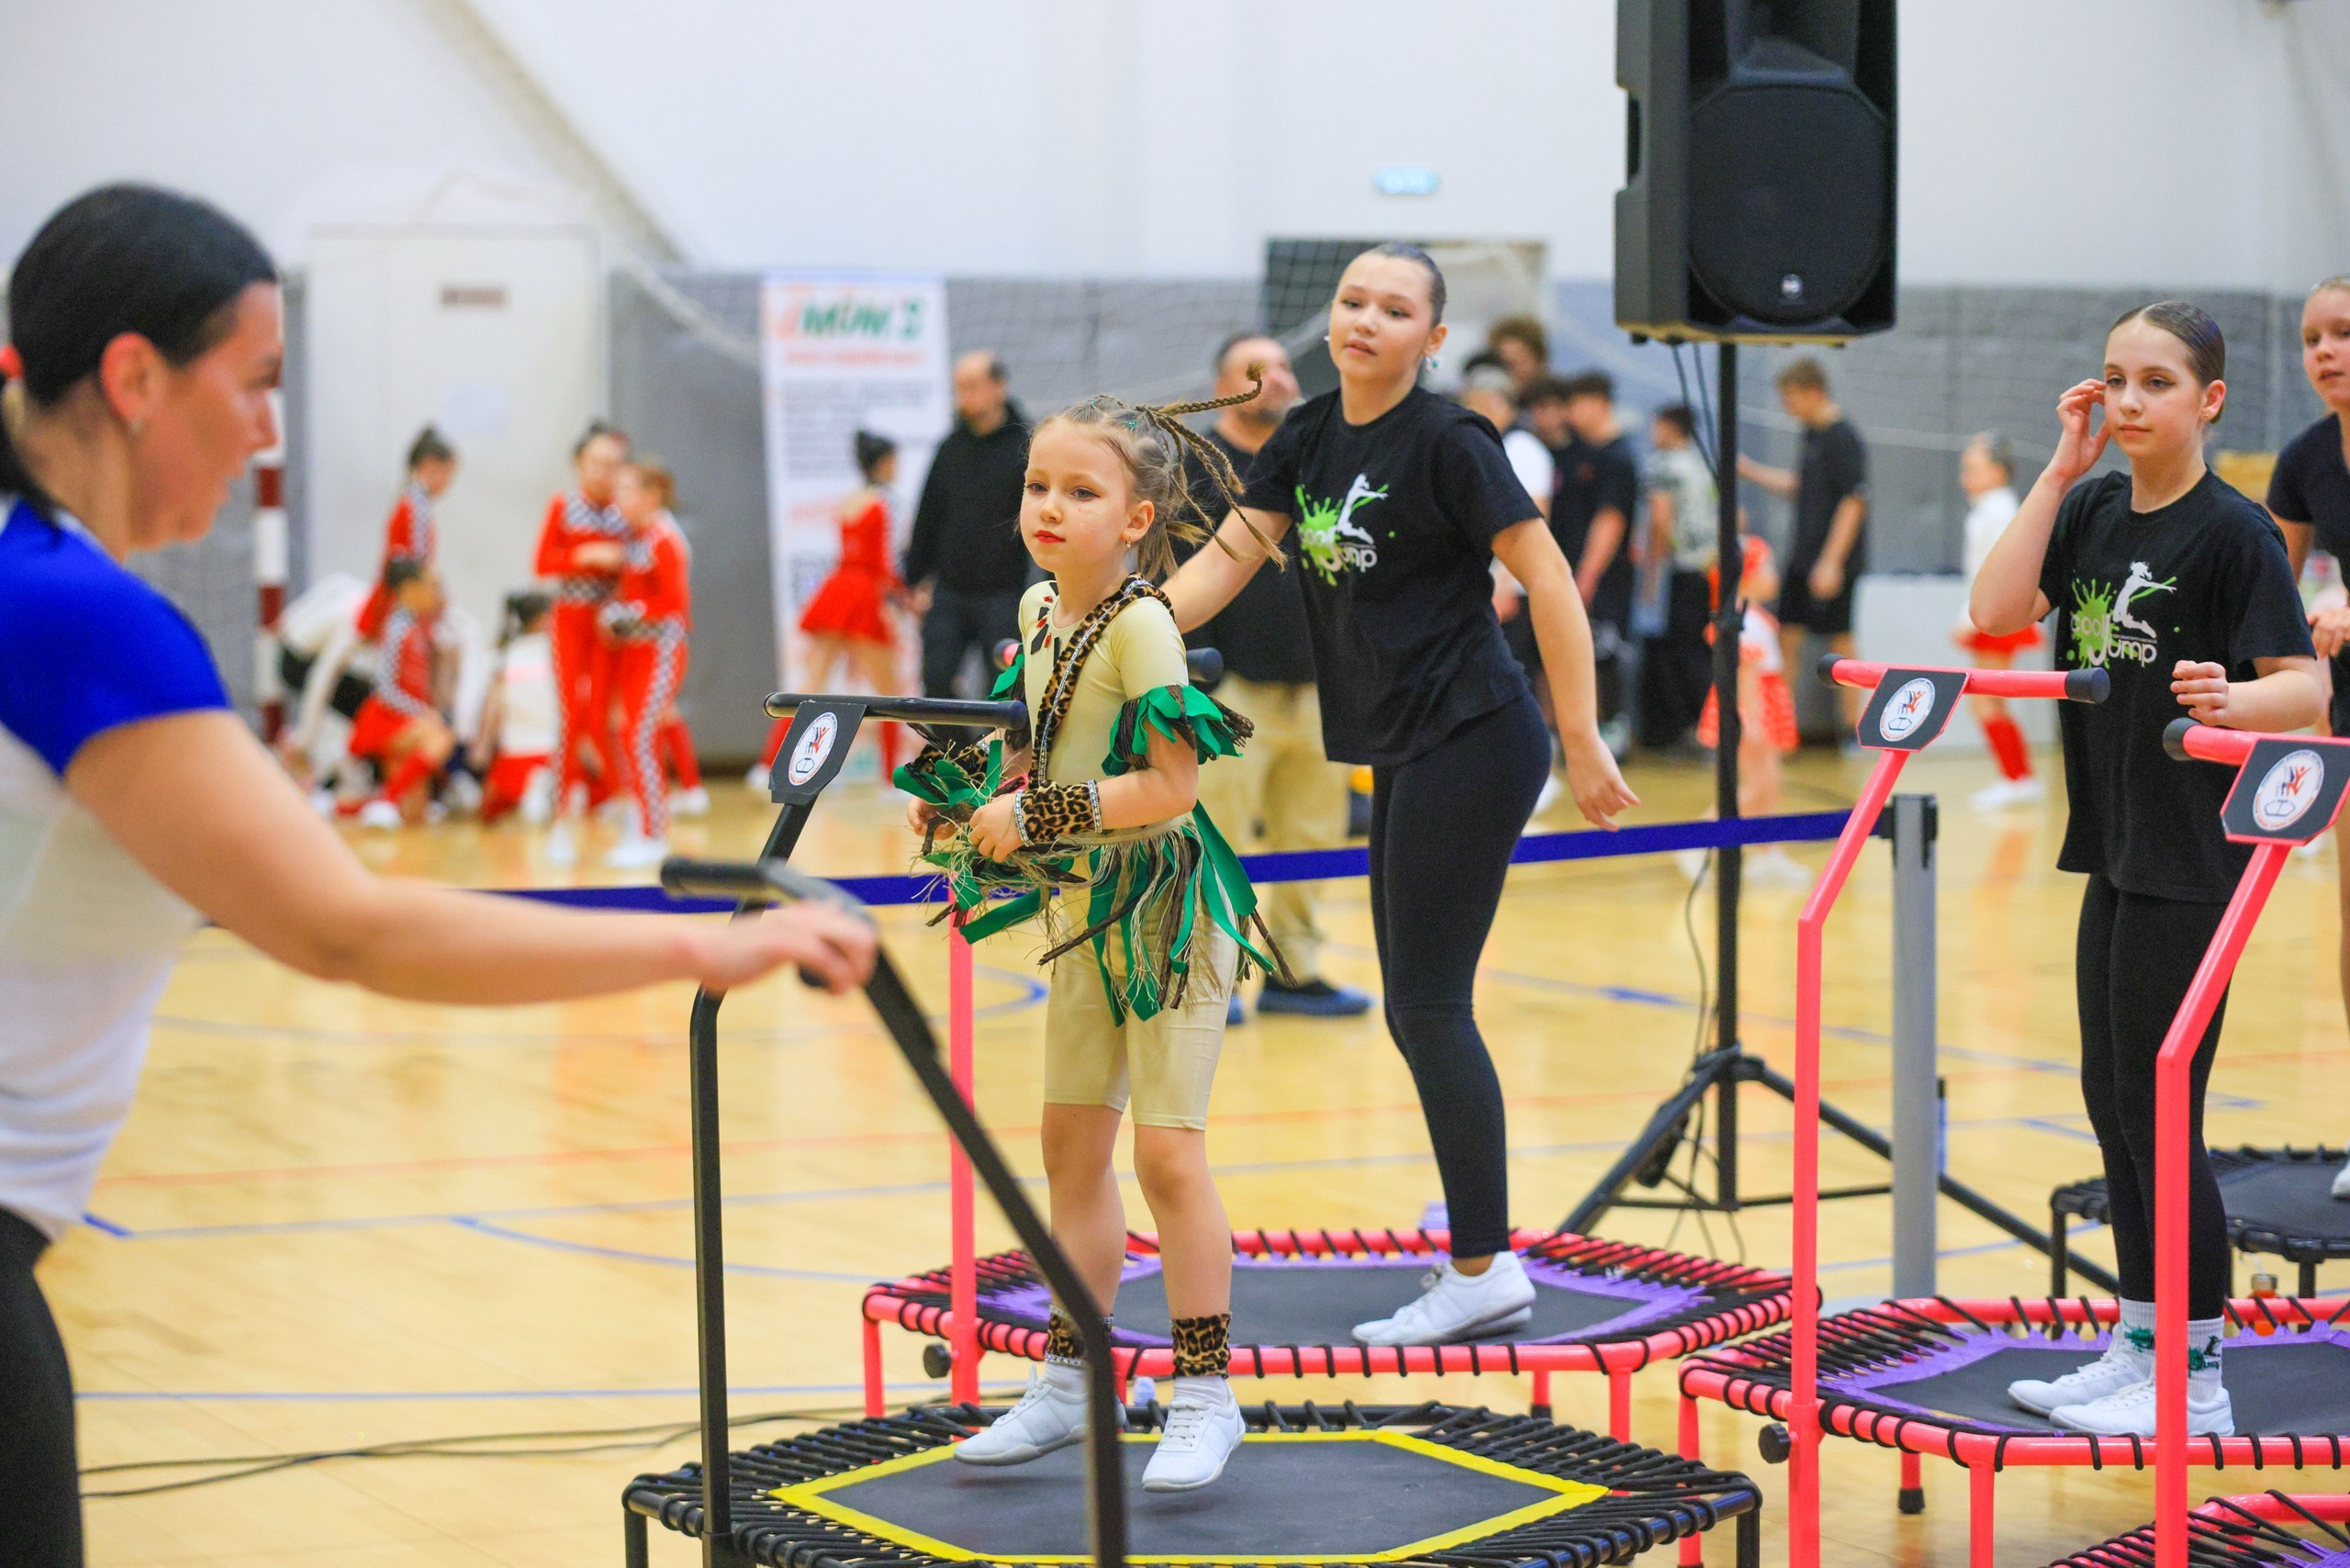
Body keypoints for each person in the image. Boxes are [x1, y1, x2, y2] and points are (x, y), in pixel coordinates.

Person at [0, 183, 877, 1568]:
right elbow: (343, 928)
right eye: (256, 382)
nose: (270, 429)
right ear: (133, 378)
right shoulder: (77, 614)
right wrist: (701, 947)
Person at [1163, 243, 1638, 1346]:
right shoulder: (1307, 434)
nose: (1365, 320)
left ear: (1432, 338)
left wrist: (1580, 736)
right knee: (1416, 1007)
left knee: (1428, 1006)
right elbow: (1226, 560)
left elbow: (1547, 577)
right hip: (1407, 741)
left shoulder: (1450, 439)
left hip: (1474, 731)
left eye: (1393, 308)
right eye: (1351, 301)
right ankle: (1479, 1252)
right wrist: (1112, 629)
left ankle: (1483, 1267)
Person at [900, 384, 1282, 1492]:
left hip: (1169, 913)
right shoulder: (1037, 610)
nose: (1048, 508)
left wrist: (1033, 816)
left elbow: (1169, 785)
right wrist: (970, 796)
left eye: (1080, 491)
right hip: (1084, 912)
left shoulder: (1145, 624)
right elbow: (1039, 741)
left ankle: (1205, 1394)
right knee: (1070, 1148)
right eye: (1037, 486)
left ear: (1136, 519)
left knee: (1166, 1154)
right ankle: (1073, 1379)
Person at [1971, 300, 2320, 1439]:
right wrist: (2055, 471)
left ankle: (2196, 1378)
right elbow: (1994, 610)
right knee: (2111, 1099)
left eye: (2155, 383)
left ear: (2207, 400)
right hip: (2114, 843)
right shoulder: (2088, 507)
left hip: (2191, 854)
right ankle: (2139, 1342)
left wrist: (2235, 701)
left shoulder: (2232, 532)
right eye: (2114, 379)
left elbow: (2304, 688)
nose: (2127, 401)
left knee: (2160, 1107)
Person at [1182, 333, 1371, 1021]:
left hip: (1318, 687)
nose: (1278, 380)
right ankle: (1214, 974)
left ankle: (1296, 971)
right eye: (1255, 370)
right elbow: (1175, 571)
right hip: (1230, 690)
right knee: (1220, 841)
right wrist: (1196, 685)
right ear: (1223, 387)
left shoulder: (1319, 460)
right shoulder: (1195, 466)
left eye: (1285, 367)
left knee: (1313, 836)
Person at [2260, 274, 2350, 1199]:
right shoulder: (2306, 458)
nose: (2324, 351)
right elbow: (2267, 594)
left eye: (2343, 332)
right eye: (2310, 338)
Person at [751, 430, 910, 790]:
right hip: (865, 593)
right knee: (889, 691)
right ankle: (890, 780)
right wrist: (903, 598)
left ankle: (767, 766)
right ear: (884, 463)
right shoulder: (885, 503)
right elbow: (884, 561)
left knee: (811, 685)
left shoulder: (851, 501)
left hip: (837, 589)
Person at [1739, 358, 1870, 734]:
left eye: (1791, 397)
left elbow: (1853, 501)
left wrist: (1831, 561)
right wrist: (1750, 471)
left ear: (1814, 392)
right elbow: (1802, 486)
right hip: (1803, 555)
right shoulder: (1812, 434)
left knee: (1841, 638)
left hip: (1832, 559)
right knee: (1787, 636)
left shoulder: (1843, 437)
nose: (1787, 406)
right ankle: (1780, 727)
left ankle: (1855, 728)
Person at [904, 351, 1032, 698]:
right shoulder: (951, 448)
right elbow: (929, 514)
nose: (964, 397)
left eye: (973, 387)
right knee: (936, 679)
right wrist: (913, 577)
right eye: (959, 388)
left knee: (1005, 689)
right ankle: (957, 737)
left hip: (1005, 593)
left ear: (999, 387)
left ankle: (995, 738)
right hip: (950, 592)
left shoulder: (1026, 447)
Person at [1684, 534, 1807, 888]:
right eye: (1767, 567)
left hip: (1761, 704)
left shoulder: (1753, 617)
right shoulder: (1743, 622)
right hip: (1753, 708)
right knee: (1757, 785)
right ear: (1745, 575)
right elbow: (1745, 674)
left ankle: (1766, 851)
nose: (1774, 574)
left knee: (1769, 783)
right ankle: (1698, 842)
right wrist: (1750, 719)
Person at [534, 420, 632, 864]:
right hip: (572, 618)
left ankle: (621, 802)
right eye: (595, 463)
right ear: (579, 464)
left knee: (606, 719)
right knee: (571, 714)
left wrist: (621, 563)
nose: (602, 473)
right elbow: (542, 562)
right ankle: (560, 815)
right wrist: (583, 555)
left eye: (612, 465)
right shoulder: (564, 505)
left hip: (610, 624)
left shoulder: (624, 509)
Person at [603, 457, 693, 869]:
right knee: (630, 734)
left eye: (626, 490)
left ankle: (654, 833)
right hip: (637, 648)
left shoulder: (664, 538)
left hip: (661, 648)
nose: (618, 499)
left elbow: (674, 603)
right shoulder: (638, 536)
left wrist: (627, 612)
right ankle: (643, 823)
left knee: (639, 735)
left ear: (652, 496)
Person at [1953, 432, 2042, 811]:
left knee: (1985, 702)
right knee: (1989, 701)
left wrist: (1970, 618)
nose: (1965, 477)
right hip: (1993, 611)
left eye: (1974, 468)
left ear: (1998, 470)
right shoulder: (1990, 508)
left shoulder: (1997, 510)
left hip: (1997, 613)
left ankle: (2016, 779)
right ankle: (2017, 777)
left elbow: (1995, 569)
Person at [1552, 371, 1639, 757]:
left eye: (1577, 403)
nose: (1571, 412)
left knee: (1605, 652)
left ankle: (1614, 730)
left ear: (1600, 403)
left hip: (1604, 578)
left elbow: (1611, 519)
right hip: (1574, 572)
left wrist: (1587, 575)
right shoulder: (1581, 453)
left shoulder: (1617, 458)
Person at [343, 560, 451, 828]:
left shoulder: (417, 627)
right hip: (386, 718)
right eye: (430, 586)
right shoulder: (396, 628)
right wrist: (423, 713)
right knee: (440, 738)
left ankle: (340, 807)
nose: (435, 593)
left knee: (415, 813)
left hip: (406, 717)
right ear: (409, 589)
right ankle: (386, 801)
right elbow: (386, 688)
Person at [1639, 404, 1717, 748]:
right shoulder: (1703, 464)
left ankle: (1683, 728)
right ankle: (1709, 724)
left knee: (1676, 652)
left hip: (1677, 569)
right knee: (1700, 648)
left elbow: (1660, 519)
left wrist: (1652, 574)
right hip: (1706, 568)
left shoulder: (1664, 465)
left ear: (1670, 427)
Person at [354, 425, 456, 642]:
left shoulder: (417, 503)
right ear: (429, 466)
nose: (449, 482)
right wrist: (436, 595)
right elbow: (416, 565)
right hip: (398, 604)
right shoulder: (414, 507)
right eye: (447, 472)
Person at [476, 591, 558, 825]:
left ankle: (530, 795)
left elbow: (493, 710)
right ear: (542, 619)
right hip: (553, 752)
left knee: (488, 814)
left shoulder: (501, 657)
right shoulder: (557, 653)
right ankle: (540, 793)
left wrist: (482, 747)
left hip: (514, 755)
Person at [1483, 314, 1550, 395]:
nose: (1515, 370)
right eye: (1507, 363)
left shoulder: (1557, 396)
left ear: (1539, 358)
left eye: (1522, 360)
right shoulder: (1490, 394)